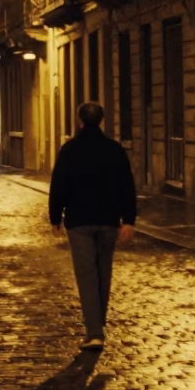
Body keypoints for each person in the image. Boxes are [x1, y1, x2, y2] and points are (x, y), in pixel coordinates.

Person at [48, 102, 137, 351]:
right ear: (101, 121)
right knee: (103, 273)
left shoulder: (70, 150)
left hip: (79, 221)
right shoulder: (114, 150)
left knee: (86, 276)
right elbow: (126, 186)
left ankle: (95, 330)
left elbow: (59, 184)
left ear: (80, 121)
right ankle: (98, 323)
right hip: (108, 220)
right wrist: (128, 219)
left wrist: (55, 216)